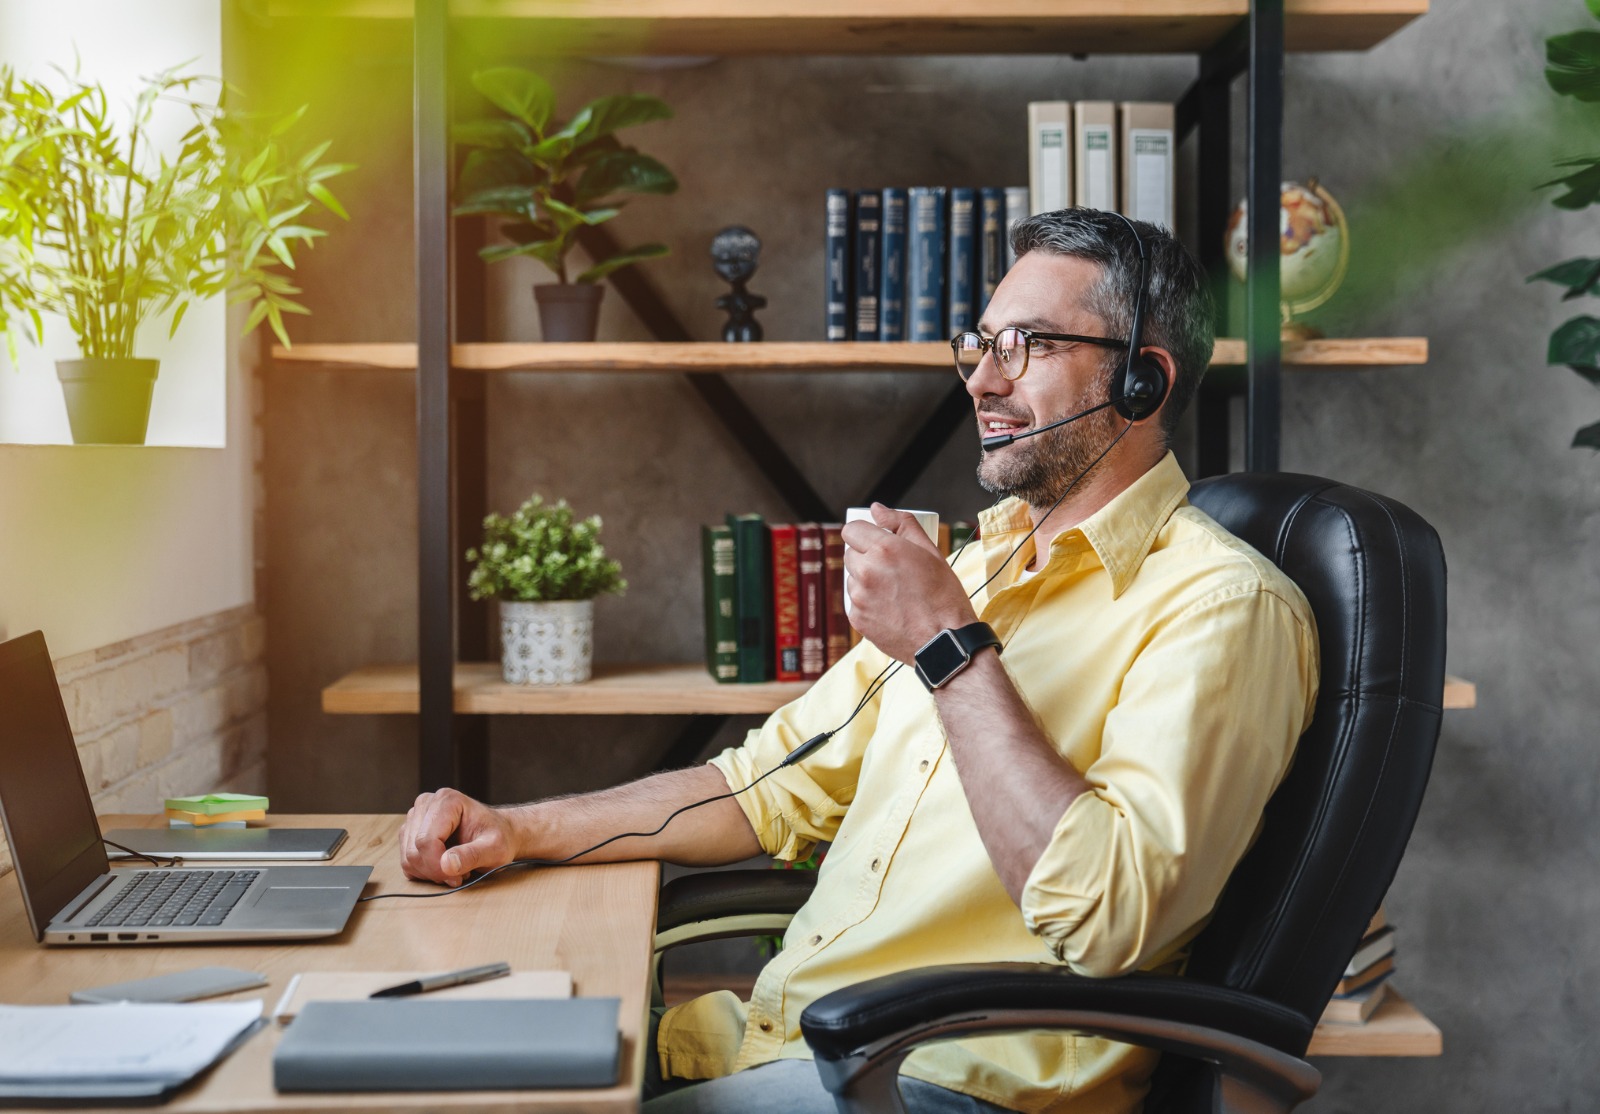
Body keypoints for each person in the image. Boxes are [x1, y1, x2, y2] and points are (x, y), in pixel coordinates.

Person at [399, 208, 1319, 1114]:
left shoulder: (1222, 608)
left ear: (1141, 384)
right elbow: (765, 785)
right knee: (433, 1075)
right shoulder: (977, 570)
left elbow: (1110, 916)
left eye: (1027, 346)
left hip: (940, 1088)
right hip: (779, 1050)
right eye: (981, 344)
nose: (981, 384)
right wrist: (517, 830)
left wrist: (949, 647)